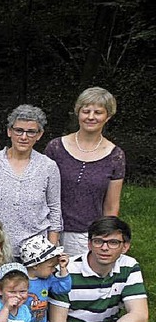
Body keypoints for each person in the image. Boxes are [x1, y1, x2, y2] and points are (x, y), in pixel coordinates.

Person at [0, 104, 62, 257]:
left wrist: (51, 252)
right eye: (19, 130)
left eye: (31, 132)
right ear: (9, 131)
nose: (23, 137)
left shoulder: (48, 167)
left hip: (34, 254)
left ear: (39, 135)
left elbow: (55, 213)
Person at [44, 87, 126, 256]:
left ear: (108, 116)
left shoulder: (115, 155)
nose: (90, 117)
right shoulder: (55, 148)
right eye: (86, 111)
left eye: (98, 112)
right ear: (78, 113)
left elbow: (111, 205)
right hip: (48, 230)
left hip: (87, 236)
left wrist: (105, 238)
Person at [19, 234, 71, 322]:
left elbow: (63, 288)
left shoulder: (47, 279)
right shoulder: (19, 279)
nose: (53, 270)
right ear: (35, 265)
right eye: (51, 266)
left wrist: (63, 269)